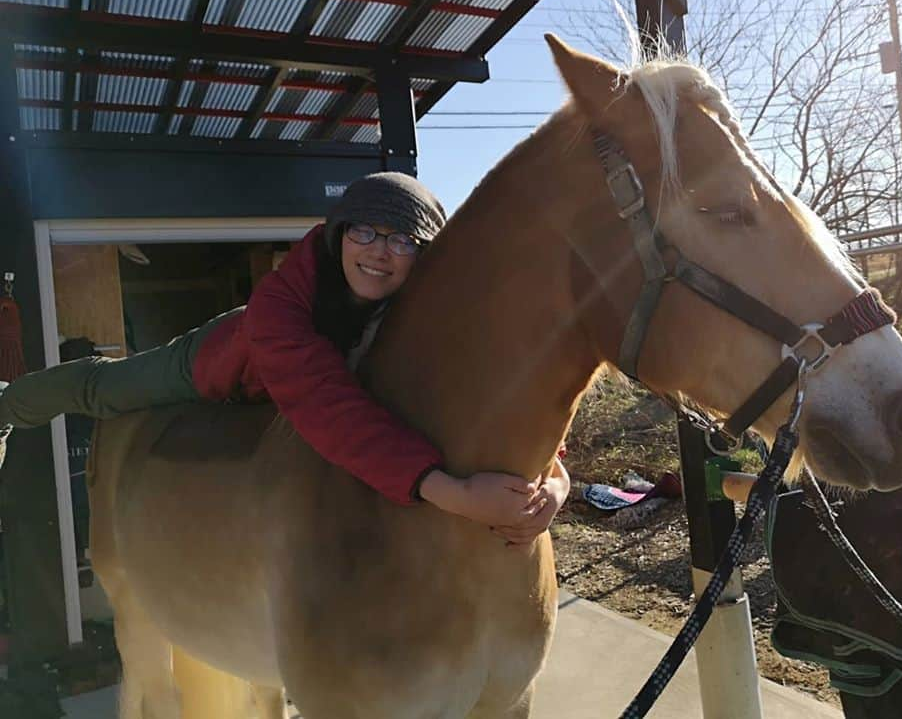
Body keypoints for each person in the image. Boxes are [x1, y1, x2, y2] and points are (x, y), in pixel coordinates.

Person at [0, 172, 569, 547]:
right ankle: (10, 403)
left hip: (300, 380)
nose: (379, 250)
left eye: (402, 240)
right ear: (339, 234)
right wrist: (453, 492)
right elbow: (324, 404)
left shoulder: (437, 309)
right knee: (105, 389)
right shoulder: (281, 300)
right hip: (225, 364)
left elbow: (500, 383)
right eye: (365, 231)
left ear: (425, 256)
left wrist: (554, 478)